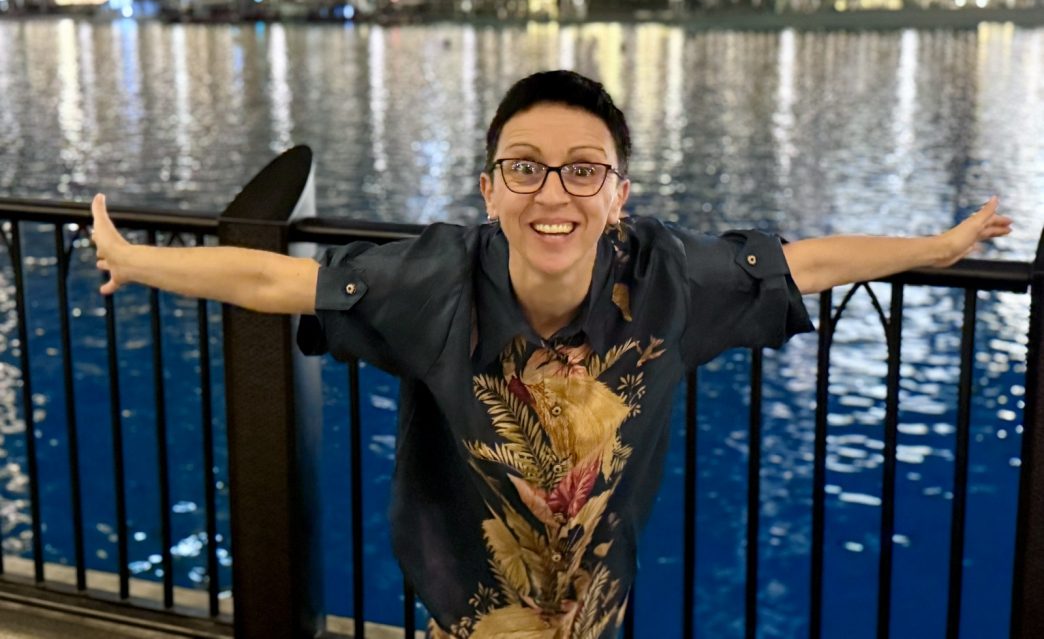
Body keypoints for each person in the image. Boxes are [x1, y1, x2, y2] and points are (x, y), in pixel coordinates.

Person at [89, 70, 1012, 639]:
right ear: (490, 189)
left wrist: (935, 247)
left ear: (618, 194)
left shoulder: (666, 278)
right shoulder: (438, 279)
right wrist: (137, 260)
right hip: (470, 617)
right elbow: (276, 279)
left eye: (584, 169)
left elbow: (803, 263)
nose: (554, 194)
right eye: (525, 167)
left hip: (593, 611)